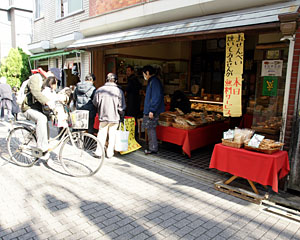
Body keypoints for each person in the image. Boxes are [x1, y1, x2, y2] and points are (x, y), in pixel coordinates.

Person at [21, 69, 57, 160]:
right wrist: (47, 101)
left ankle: (45, 150)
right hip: (28, 108)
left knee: (46, 123)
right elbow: (36, 92)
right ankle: (41, 146)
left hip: (36, 108)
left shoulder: (45, 83)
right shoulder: (36, 78)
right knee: (42, 119)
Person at [93, 73, 126, 159]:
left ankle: (99, 152)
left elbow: (95, 103)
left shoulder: (99, 90)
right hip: (115, 117)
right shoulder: (119, 91)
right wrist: (121, 117)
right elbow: (121, 107)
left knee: (102, 134)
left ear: (106, 80)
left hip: (103, 116)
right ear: (115, 81)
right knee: (112, 134)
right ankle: (110, 153)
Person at [142, 65, 165, 155]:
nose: (144, 76)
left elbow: (156, 97)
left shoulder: (154, 82)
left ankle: (153, 148)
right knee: (150, 128)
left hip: (151, 111)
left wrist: (152, 110)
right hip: (150, 110)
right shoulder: (153, 81)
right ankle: (152, 147)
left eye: (144, 74)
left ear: (147, 72)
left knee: (151, 129)